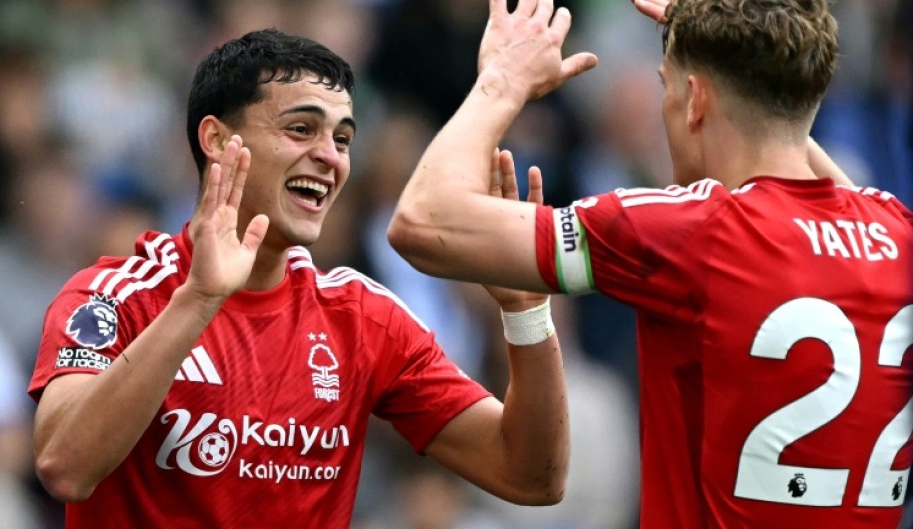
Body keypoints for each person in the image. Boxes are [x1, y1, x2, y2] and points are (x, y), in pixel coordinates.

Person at [387, 0, 913, 527]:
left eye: (667, 85)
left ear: (693, 100)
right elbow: (805, 161)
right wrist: (753, 66)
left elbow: (421, 221)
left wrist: (502, 81)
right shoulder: (896, 233)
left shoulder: (693, 229)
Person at [28, 28, 568, 528]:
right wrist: (200, 298)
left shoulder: (362, 318)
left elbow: (530, 475)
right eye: (301, 130)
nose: (329, 157)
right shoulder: (114, 297)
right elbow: (65, 468)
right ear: (216, 140)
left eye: (343, 139)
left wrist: (526, 311)